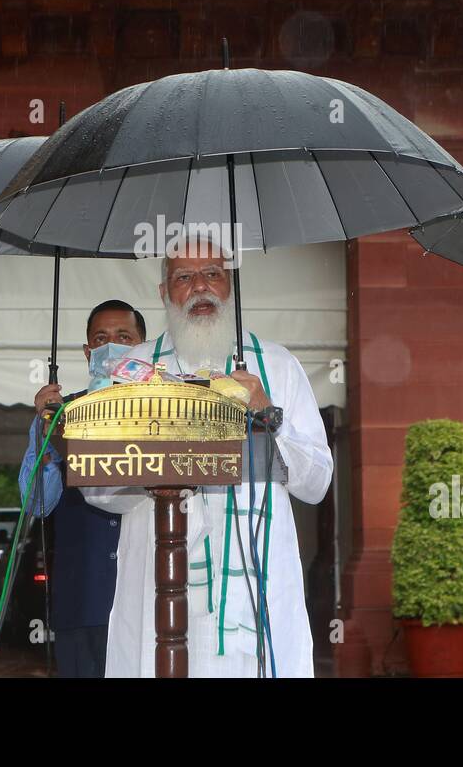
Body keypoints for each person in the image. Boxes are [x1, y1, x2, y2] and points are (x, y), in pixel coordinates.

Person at [83, 243, 334, 677]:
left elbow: (316, 483)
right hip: (158, 585)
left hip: (256, 592)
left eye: (213, 274)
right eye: (184, 277)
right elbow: (96, 487)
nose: (200, 287)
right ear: (164, 291)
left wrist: (270, 416)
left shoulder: (276, 365)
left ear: (230, 285)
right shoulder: (127, 371)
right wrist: (156, 467)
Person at [17, 300, 145, 677]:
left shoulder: (164, 410)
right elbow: (37, 504)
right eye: (101, 338)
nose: (112, 346)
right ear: (88, 351)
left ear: (143, 346)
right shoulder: (61, 413)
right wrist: (45, 437)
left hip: (144, 596)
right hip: (82, 599)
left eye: (124, 337)